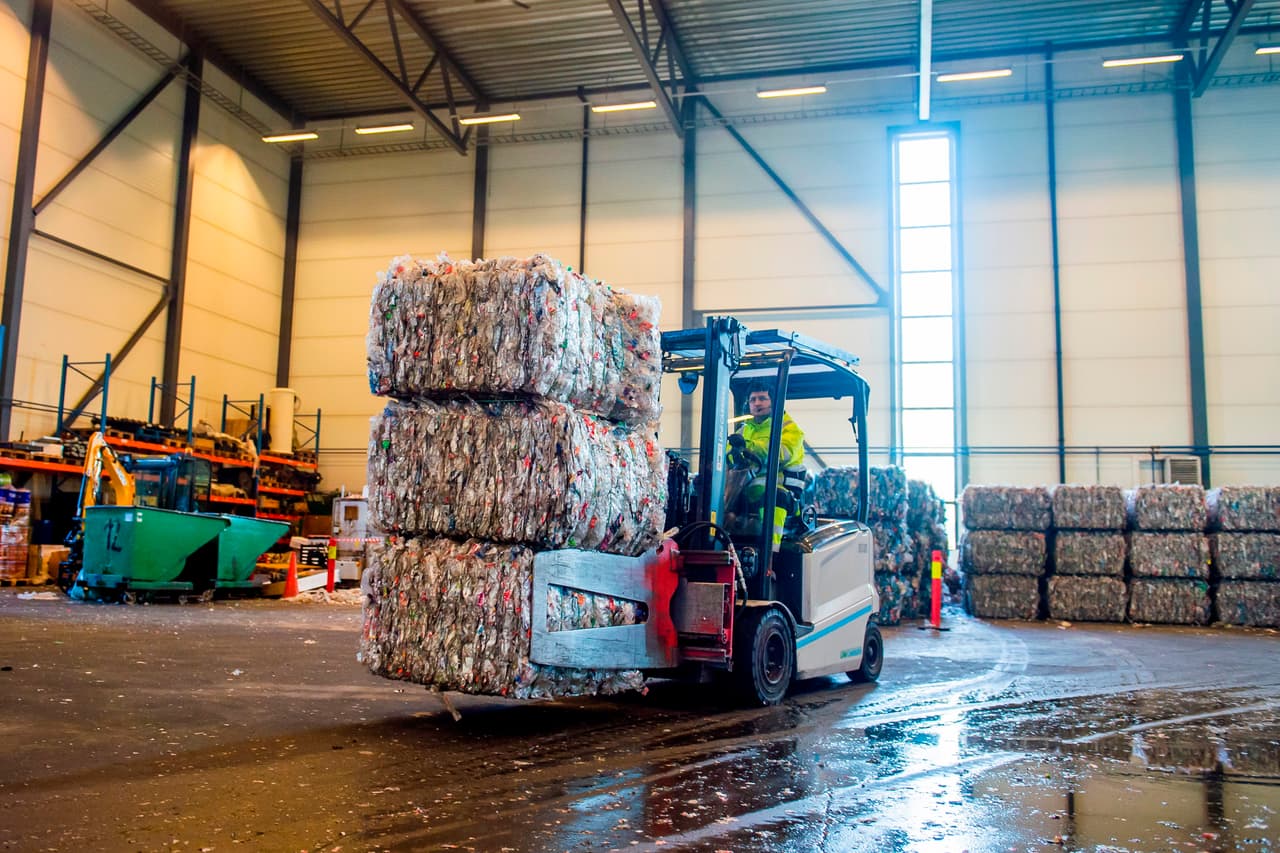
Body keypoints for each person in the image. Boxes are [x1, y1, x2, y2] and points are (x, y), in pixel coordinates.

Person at [727, 381, 806, 547]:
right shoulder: (745, 429)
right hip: (745, 487)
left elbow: (778, 453)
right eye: (753, 399)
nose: (757, 403)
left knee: (773, 497)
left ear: (774, 401)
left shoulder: (789, 428)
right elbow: (728, 453)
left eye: (762, 398)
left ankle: (771, 553)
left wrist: (748, 448)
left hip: (781, 489)